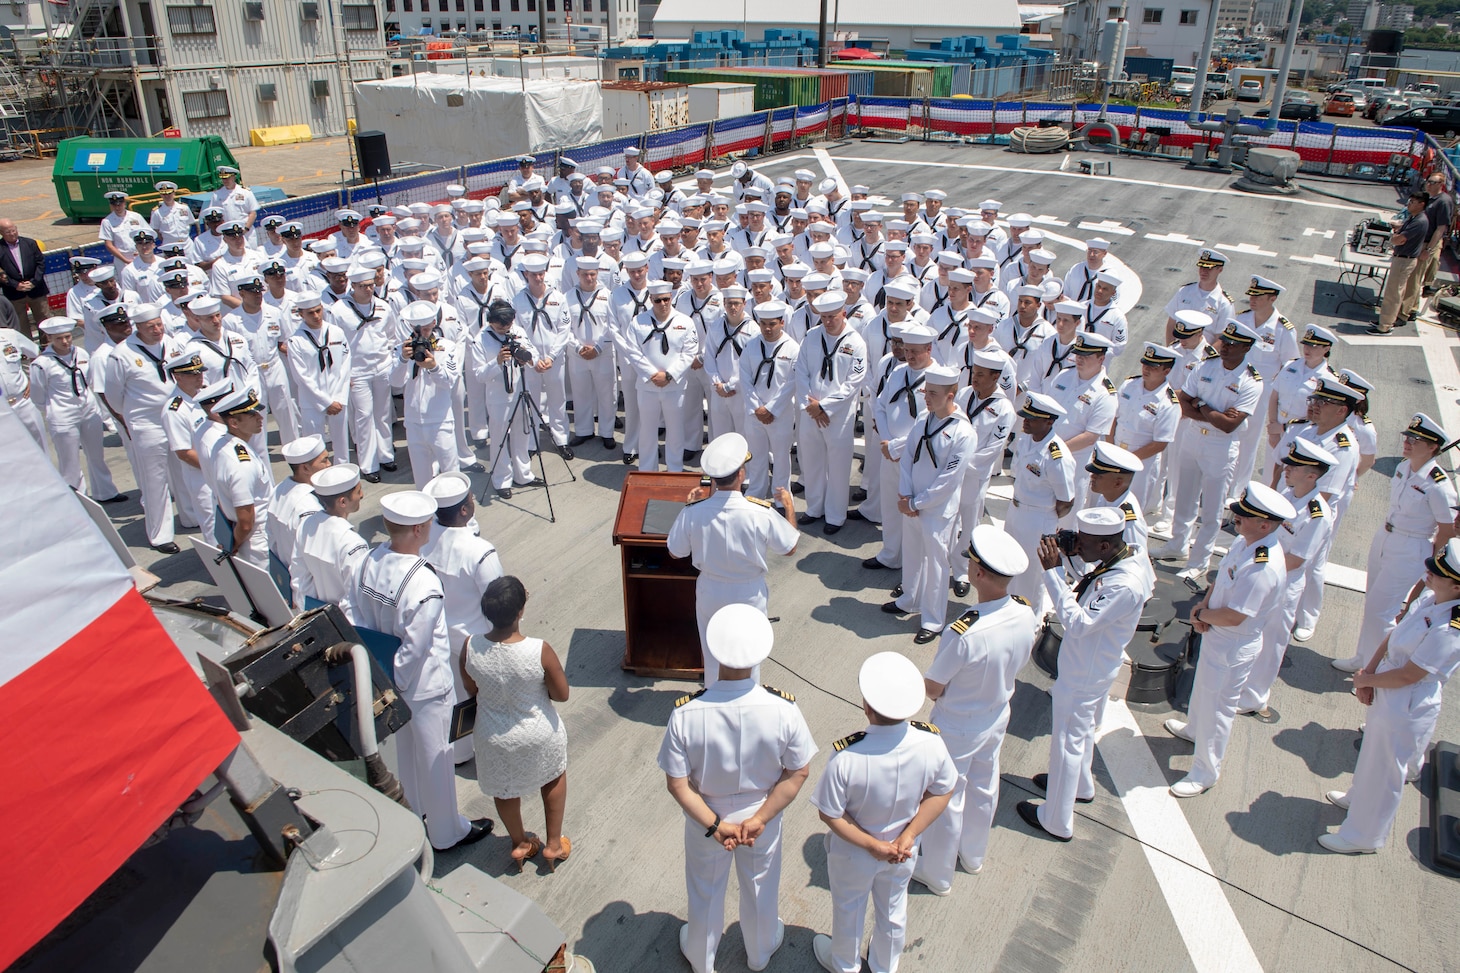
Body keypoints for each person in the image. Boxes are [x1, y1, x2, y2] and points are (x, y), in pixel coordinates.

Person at [659, 605, 815, 973]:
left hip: (705, 815)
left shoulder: (685, 713)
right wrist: (760, 818)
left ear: (713, 651)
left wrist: (715, 825)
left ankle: (702, 956)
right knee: (761, 886)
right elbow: (799, 772)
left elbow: (677, 784)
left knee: (704, 890)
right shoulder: (784, 709)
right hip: (763, 812)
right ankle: (759, 952)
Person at [357, 490, 493, 853]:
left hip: (385, 675)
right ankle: (447, 832)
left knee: (405, 758)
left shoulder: (370, 561)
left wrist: (384, 680)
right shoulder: (423, 582)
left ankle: (412, 816)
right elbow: (416, 647)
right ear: (418, 529)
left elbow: (360, 618)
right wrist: (399, 682)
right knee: (437, 758)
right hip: (422, 685)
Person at [810, 652, 956, 973]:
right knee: (892, 912)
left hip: (855, 853)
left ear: (867, 706)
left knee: (849, 910)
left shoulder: (846, 757)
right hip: (903, 850)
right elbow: (943, 790)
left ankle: (845, 965)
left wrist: (873, 846)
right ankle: (884, 967)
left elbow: (830, 814)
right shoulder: (931, 744)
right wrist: (909, 834)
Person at [915, 525, 1038, 894]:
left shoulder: (964, 630)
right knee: (984, 785)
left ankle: (937, 872)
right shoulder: (1023, 611)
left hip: (958, 723)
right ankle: (973, 855)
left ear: (979, 573)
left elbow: (934, 688)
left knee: (946, 795)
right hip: (997, 713)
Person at [1318, 537, 1460, 854]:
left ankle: (1364, 837)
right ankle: (1357, 799)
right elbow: (1394, 635)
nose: (1430, 573)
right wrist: (1368, 674)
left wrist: (1369, 678)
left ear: (1457, 587)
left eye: (1439, 572)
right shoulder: (1431, 598)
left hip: (1408, 700)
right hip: (1388, 683)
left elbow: (1412, 674)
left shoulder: (1451, 628)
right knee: (1372, 753)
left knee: (1387, 772)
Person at [1019, 507, 1151, 841]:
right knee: (1081, 733)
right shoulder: (1125, 559)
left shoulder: (1124, 584)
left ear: (1106, 546)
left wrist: (1051, 573)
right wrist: (1073, 557)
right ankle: (1079, 784)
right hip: (1093, 668)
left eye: (1085, 542)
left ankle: (1056, 818)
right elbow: (1089, 585)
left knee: (1066, 742)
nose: (1078, 544)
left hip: (1083, 674)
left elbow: (1078, 623)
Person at [1163, 482, 1293, 797]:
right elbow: (1221, 579)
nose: (1235, 517)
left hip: (1234, 642)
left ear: (1264, 524)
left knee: (1219, 708)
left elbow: (1237, 616)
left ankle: (1205, 771)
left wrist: (1200, 618)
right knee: (1203, 693)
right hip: (1217, 632)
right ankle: (1194, 730)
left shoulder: (1263, 566)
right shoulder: (1247, 541)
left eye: (1243, 515)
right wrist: (1203, 607)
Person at [667, 432, 799, 687]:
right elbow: (789, 547)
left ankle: (713, 698)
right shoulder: (760, 511)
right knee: (749, 654)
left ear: (713, 478)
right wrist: (790, 507)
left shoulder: (694, 512)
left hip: (710, 590)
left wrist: (689, 508)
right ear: (741, 474)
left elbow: (675, 552)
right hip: (749, 592)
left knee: (712, 652)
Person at [1335, 413, 1457, 673]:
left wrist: (1434, 565)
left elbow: (1447, 530)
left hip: (1411, 548)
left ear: (1433, 446)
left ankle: (1377, 670)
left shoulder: (1438, 485)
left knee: (1383, 611)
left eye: (1416, 439)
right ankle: (1363, 658)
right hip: (1386, 536)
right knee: (1373, 604)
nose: (1408, 442)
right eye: (1408, 437)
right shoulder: (1403, 467)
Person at [461, 576, 569, 868]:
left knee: (504, 788)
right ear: (520, 611)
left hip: (492, 735)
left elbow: (472, 688)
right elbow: (562, 694)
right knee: (553, 776)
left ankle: (520, 843)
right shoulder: (539, 649)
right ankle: (554, 845)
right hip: (537, 732)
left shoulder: (470, 647)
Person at [1153, 320, 1263, 582]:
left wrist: (1200, 405)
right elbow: (1182, 401)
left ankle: (1199, 559)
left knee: (1211, 509)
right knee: (1184, 497)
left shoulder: (1251, 381)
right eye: (1225, 341)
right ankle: (1177, 543)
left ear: (1246, 347)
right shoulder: (1206, 365)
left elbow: (1228, 425)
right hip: (1193, 437)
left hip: (1220, 446)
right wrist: (1209, 410)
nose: (1225, 347)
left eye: (1233, 344)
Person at [1238, 440, 1337, 720]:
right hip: (1263, 572)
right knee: (1252, 631)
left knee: (1272, 641)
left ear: (1312, 475)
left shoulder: (1318, 514)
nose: (1287, 468)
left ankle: (1255, 696)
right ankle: (1243, 684)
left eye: (1295, 466)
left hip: (1283, 583)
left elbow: (1298, 559)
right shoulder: (1287, 493)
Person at [882, 364, 974, 644]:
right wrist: (906, 495)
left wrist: (918, 502)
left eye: (933, 393)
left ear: (951, 395)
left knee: (935, 565)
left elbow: (949, 479)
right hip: (911, 502)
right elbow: (908, 457)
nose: (927, 397)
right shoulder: (924, 419)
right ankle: (909, 599)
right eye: (926, 391)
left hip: (937, 509)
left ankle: (933, 621)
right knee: (912, 555)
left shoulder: (963, 432)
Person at [423, 471, 504, 764]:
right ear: (465, 509)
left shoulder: (425, 537)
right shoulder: (479, 551)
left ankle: (459, 752)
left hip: (443, 634)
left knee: (458, 699)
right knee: (488, 702)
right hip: (477, 642)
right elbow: (499, 603)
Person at [794, 291, 868, 534]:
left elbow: (853, 383)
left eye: (832, 317)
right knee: (812, 462)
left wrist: (823, 406)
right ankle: (814, 507)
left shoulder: (855, 342)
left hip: (838, 415)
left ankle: (835, 515)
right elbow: (801, 372)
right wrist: (812, 405)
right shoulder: (811, 337)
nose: (827, 322)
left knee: (838, 466)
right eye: (824, 317)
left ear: (843, 314)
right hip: (810, 410)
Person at [30, 318, 124, 502]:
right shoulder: (42, 364)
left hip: (88, 409)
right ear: (49, 338)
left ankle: (105, 492)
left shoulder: (80, 353)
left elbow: (88, 380)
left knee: (96, 454)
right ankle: (76, 498)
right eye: (59, 339)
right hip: (63, 414)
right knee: (69, 460)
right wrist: (54, 407)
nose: (65, 342)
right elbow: (38, 397)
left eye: (67, 337)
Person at [1004, 392, 1076, 610]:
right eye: (1025, 416)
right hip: (1015, 510)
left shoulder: (1057, 456)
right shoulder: (1027, 438)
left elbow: (1066, 501)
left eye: (1032, 418)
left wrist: (1044, 517)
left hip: (1038, 519)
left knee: (1031, 577)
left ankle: (1031, 621)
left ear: (1049, 421)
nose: (1025, 421)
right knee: (1009, 565)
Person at [739, 301, 800, 503]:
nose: (767, 328)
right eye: (763, 323)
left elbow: (792, 383)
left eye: (772, 324)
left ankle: (781, 497)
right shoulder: (751, 345)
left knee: (781, 458)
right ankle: (756, 492)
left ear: (782, 322)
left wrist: (771, 408)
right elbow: (745, 378)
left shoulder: (792, 348)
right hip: (755, 412)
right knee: (756, 456)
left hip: (780, 414)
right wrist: (758, 407)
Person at [293, 464, 370, 619]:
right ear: (342, 502)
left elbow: (299, 579)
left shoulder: (306, 525)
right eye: (358, 491)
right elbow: (356, 600)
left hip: (318, 616)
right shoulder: (353, 544)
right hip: (345, 624)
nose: (361, 495)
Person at [211, 387, 275, 568]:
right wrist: (234, 545)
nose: (260, 418)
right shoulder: (241, 464)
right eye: (252, 415)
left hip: (248, 534)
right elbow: (246, 521)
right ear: (234, 423)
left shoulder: (223, 444)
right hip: (257, 541)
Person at [1370, 191, 1429, 335]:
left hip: (1405, 260)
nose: (1409, 204)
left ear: (1422, 204)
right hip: (1401, 258)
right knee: (1392, 292)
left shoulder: (1420, 221)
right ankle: (1385, 320)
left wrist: (1394, 237)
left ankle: (1385, 326)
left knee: (1394, 294)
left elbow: (1399, 239)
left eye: (1413, 202)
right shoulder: (1413, 217)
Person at [0, 219, 49, 339]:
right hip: (14, 293)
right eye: (8, 232)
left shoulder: (30, 243)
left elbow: (40, 264)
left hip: (36, 291)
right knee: (20, 324)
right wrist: (14, 284)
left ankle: (48, 346)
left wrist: (34, 282)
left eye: (13, 230)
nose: (12, 234)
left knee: (44, 320)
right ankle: (28, 350)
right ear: (1, 233)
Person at [1416, 171, 1455, 300]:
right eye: (1428, 181)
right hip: (1419, 240)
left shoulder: (1443, 202)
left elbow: (1441, 228)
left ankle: (1410, 310)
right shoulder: (1427, 197)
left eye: (1433, 182)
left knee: (1416, 277)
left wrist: (1428, 249)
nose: (1429, 185)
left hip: (1429, 242)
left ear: (1441, 184)